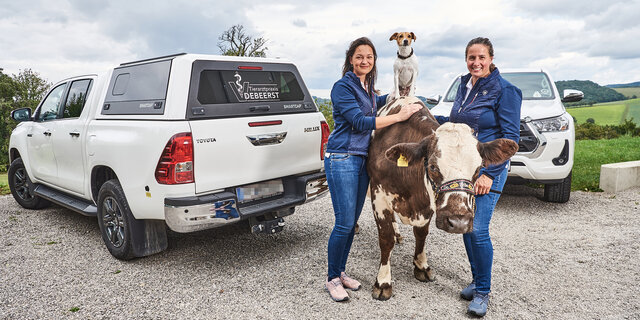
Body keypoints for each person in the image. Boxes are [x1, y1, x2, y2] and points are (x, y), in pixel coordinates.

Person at [324, 37, 422, 302]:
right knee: (344, 223)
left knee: (351, 222)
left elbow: (376, 102)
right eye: (359, 57)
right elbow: (359, 121)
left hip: (360, 160)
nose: (364, 61)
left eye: (369, 57)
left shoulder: (365, 88)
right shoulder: (343, 87)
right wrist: (400, 116)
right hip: (342, 157)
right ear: (350, 60)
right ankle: (332, 278)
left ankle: (341, 272)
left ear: (374, 61)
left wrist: (404, 100)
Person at [435, 37, 521, 317]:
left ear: (491, 59)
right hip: (466, 170)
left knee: (479, 229)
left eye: (481, 57)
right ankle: (476, 279)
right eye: (471, 58)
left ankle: (483, 291)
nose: (476, 62)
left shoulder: (506, 91)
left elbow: (511, 138)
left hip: (489, 171)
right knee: (466, 225)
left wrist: (489, 175)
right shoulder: (464, 85)